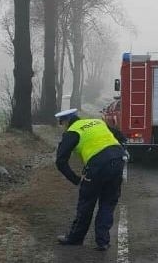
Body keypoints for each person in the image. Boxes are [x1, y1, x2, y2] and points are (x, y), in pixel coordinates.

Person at [54, 108, 126, 251]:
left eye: (62, 123)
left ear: (67, 121)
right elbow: (120, 136)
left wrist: (76, 179)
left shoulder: (73, 131)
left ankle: (75, 238)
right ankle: (103, 241)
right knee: (108, 202)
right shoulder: (97, 122)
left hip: (98, 165)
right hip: (118, 159)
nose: (63, 126)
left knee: (86, 202)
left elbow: (60, 160)